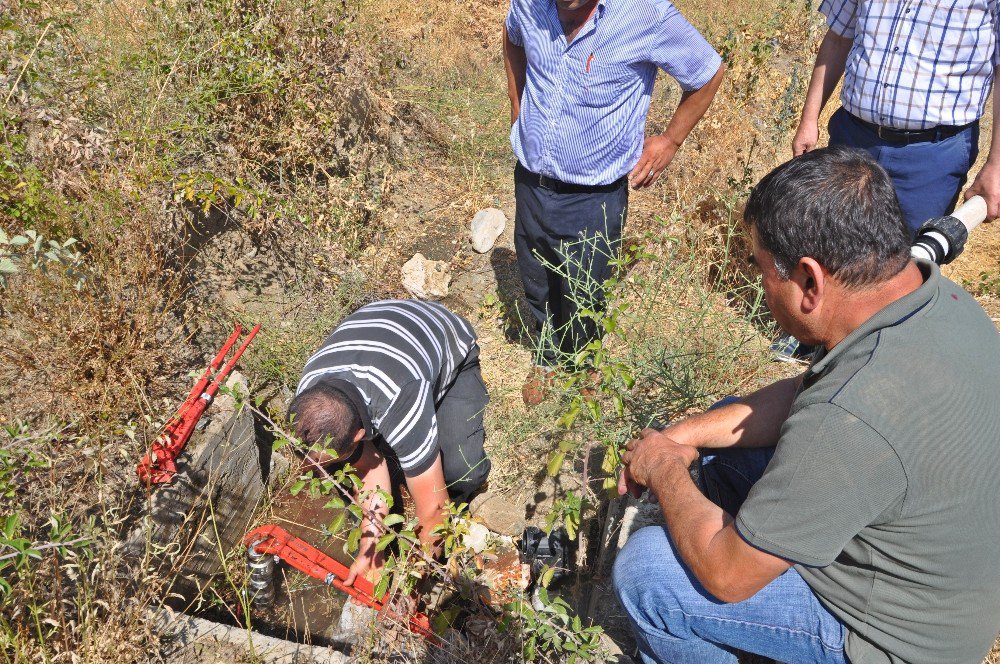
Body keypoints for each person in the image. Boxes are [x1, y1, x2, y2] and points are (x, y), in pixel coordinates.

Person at [613, 146, 1000, 664]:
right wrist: (681, 436)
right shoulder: (942, 305)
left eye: (762, 271)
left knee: (647, 575)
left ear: (809, 281)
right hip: (947, 583)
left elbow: (726, 575)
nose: (759, 287)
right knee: (723, 441)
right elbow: (808, 395)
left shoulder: (848, 421)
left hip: (896, 641)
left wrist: (662, 466)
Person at [503, 0, 725, 405]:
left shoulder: (646, 14)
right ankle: (550, 357)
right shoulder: (529, 4)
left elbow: (707, 72)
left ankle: (587, 363)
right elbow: (513, 37)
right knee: (537, 278)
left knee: (587, 288)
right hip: (531, 181)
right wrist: (518, 109)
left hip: (594, 194)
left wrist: (670, 140)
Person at [289, 299, 490, 585]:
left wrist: (417, 575)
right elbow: (370, 466)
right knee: (344, 468)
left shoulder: (399, 399)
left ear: (359, 435)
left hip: (446, 339)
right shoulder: (309, 397)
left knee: (461, 472)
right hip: (383, 331)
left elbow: (434, 510)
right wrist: (370, 549)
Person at [792, 0, 1000, 233]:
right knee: (831, 242)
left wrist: (997, 166)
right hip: (853, 138)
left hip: (932, 157)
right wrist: (808, 121)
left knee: (910, 258)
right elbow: (838, 38)